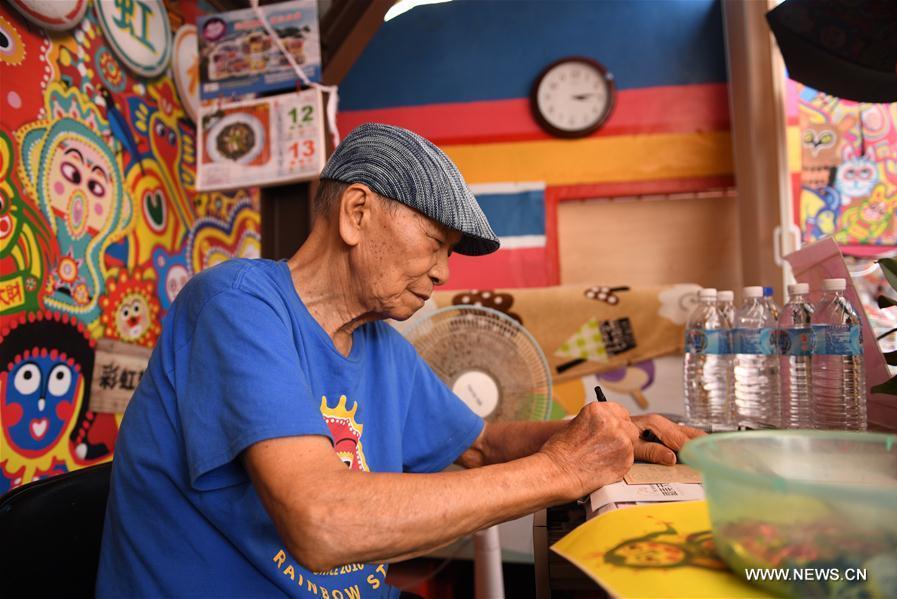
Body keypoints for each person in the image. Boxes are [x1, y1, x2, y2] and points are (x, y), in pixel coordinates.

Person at [96, 123, 703, 598]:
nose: (442, 273)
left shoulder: (379, 343)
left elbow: (482, 446)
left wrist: (598, 434)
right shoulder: (237, 304)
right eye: (435, 243)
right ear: (357, 213)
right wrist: (565, 471)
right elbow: (322, 522)